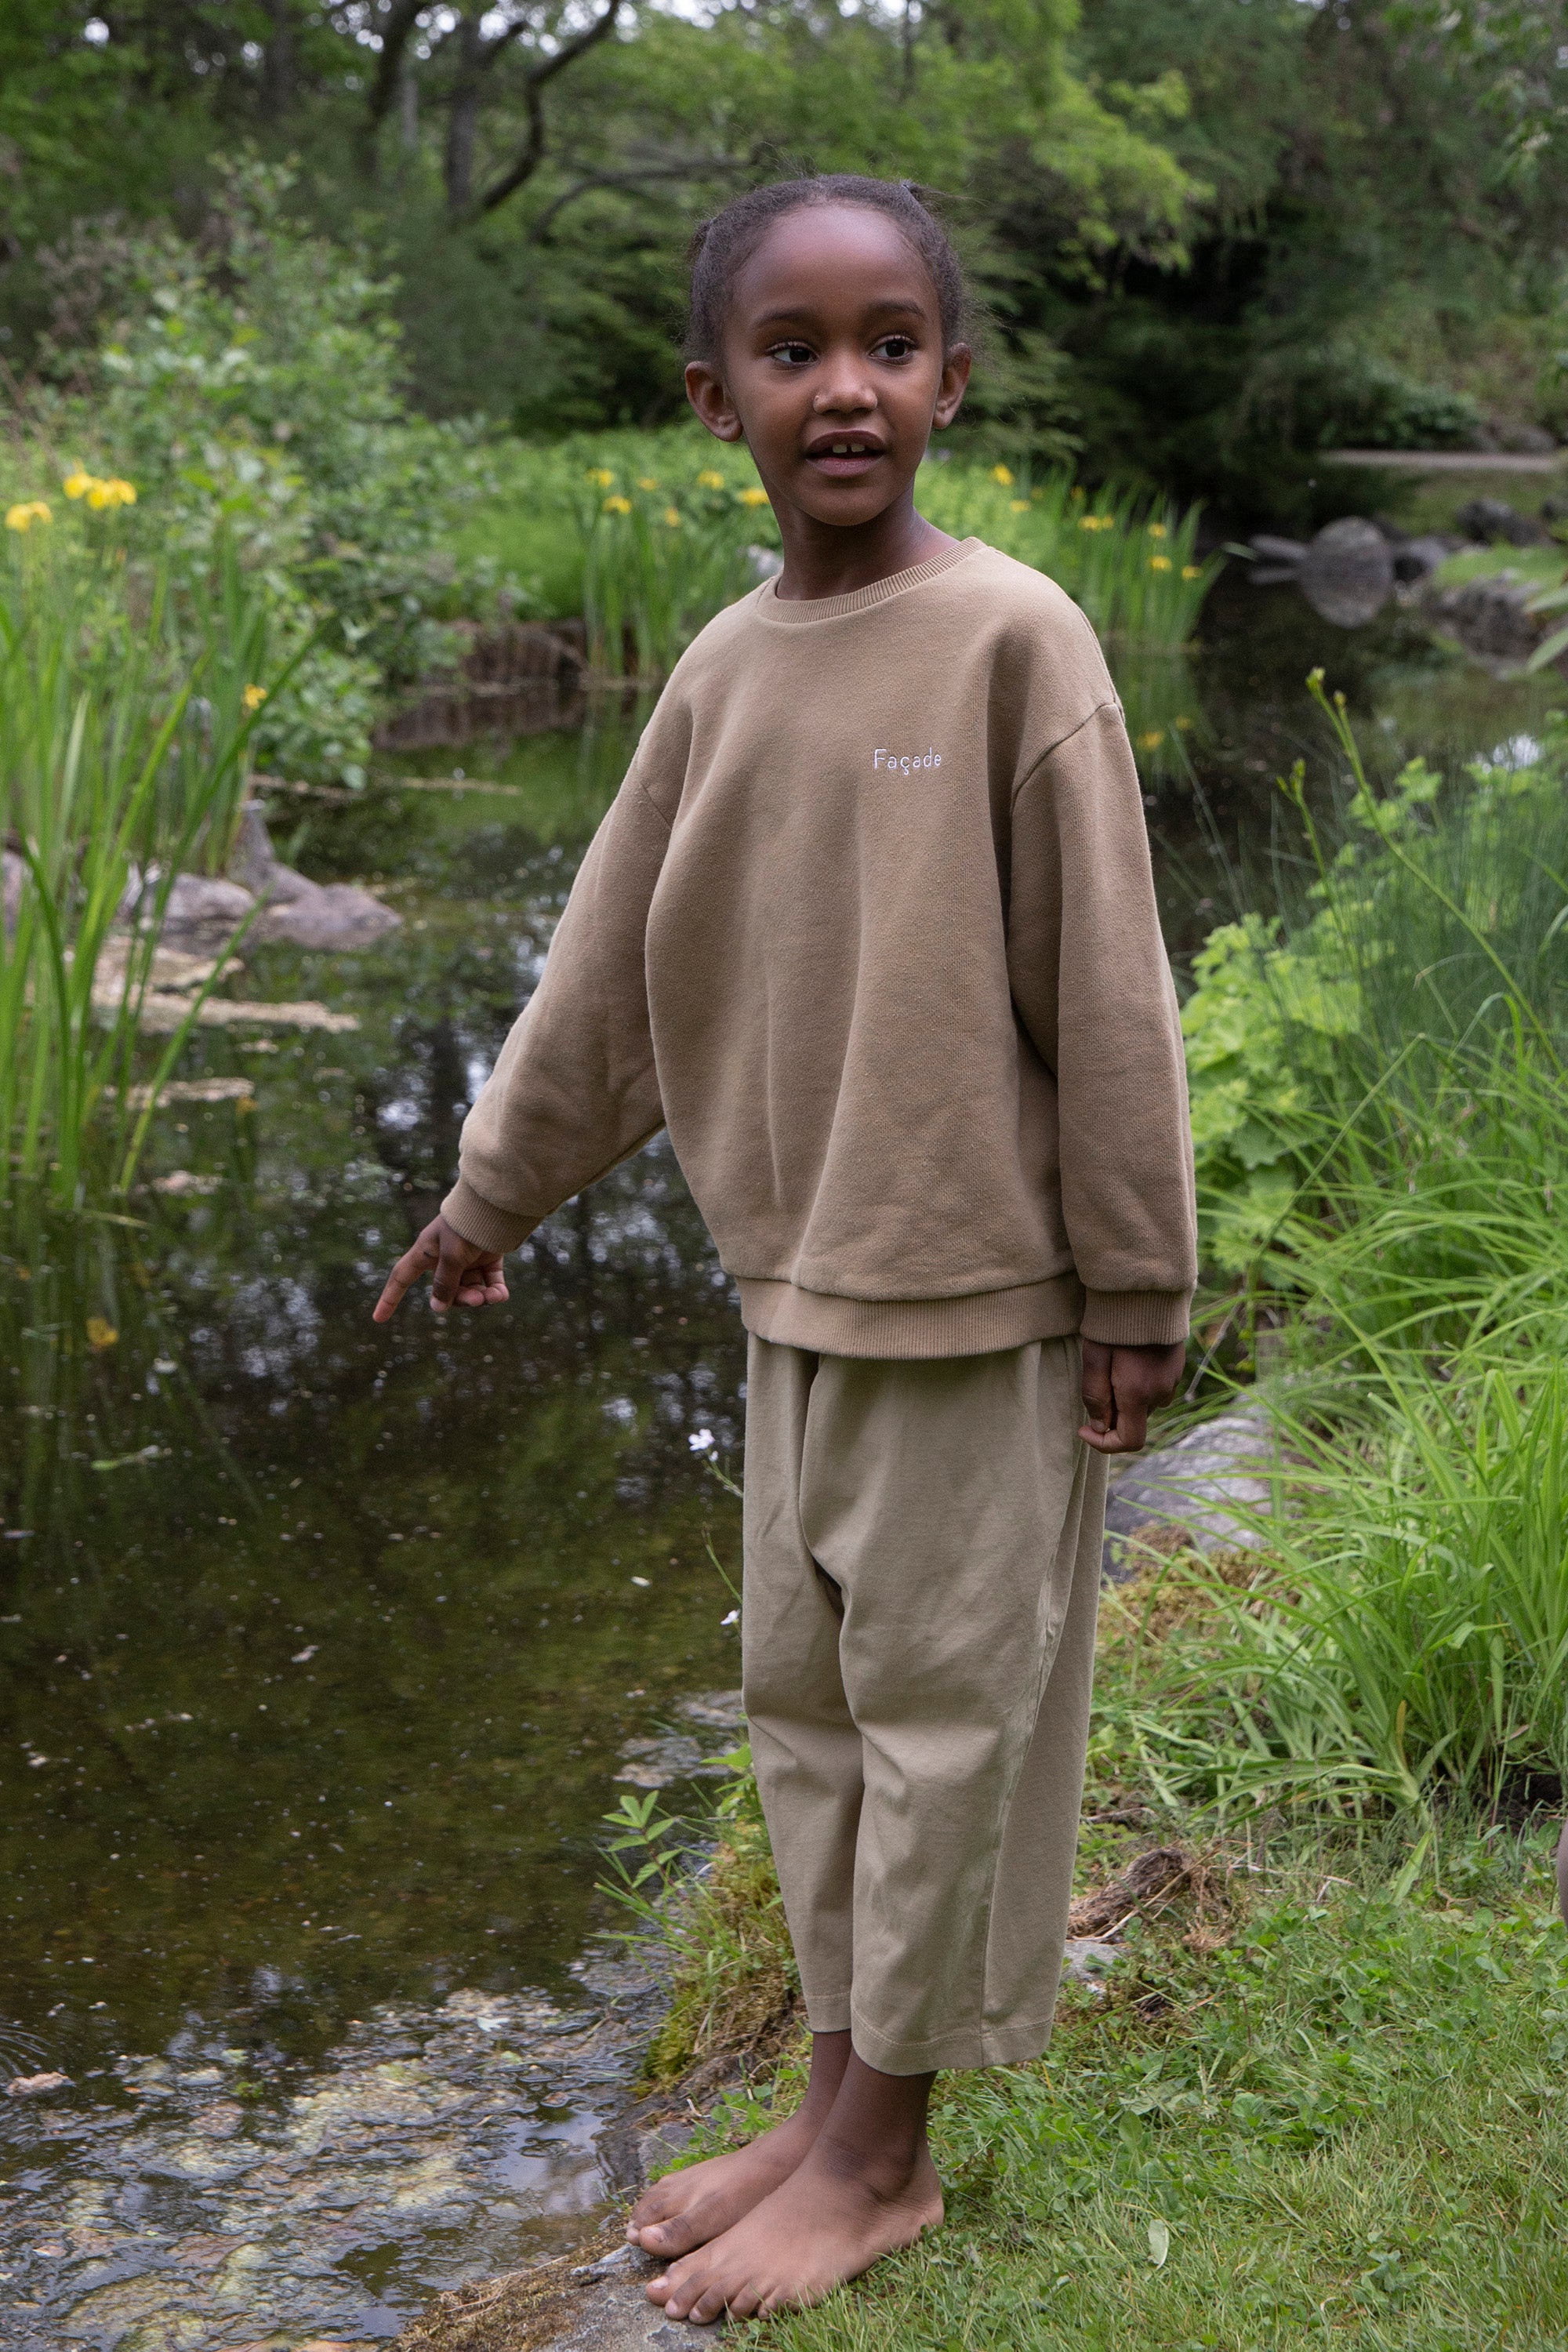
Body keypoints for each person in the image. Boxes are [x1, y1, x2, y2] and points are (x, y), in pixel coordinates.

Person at [373, 174, 1196, 2325]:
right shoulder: (725, 672)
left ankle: (886, 2160)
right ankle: (826, 2110)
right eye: (795, 349)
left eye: (890, 345)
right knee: (808, 1713)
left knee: (939, 1721)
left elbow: (1111, 994)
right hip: (795, 1289)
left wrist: (1138, 1285)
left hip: (976, 1299)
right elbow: (610, 972)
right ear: (711, 393)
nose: (846, 388)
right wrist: (492, 1191)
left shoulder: (1018, 641)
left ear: (953, 378)